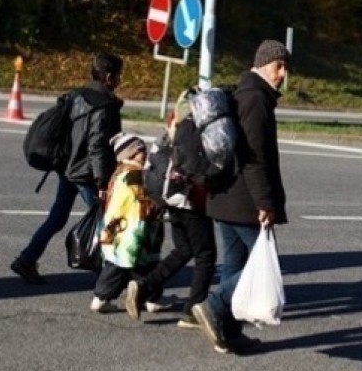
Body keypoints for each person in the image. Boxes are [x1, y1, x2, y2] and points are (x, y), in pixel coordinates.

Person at [191, 39, 290, 354]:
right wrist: (266, 204)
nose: (283, 73)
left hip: (225, 197)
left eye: (285, 66)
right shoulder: (256, 99)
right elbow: (254, 158)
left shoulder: (241, 92)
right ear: (263, 64)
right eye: (279, 66)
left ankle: (227, 331)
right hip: (245, 200)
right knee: (257, 268)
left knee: (236, 267)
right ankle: (213, 307)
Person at [11, 52, 124, 284]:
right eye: (119, 76)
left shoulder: (76, 96)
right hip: (86, 174)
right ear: (109, 76)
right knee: (105, 220)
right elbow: (97, 146)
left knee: (58, 217)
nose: (120, 80)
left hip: (67, 168)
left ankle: (27, 259)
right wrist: (103, 182)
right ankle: (109, 275)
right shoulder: (103, 105)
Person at [125, 110, 217, 329]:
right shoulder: (193, 138)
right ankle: (192, 311)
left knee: (184, 250)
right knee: (206, 255)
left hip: (169, 201)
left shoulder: (165, 138)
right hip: (189, 202)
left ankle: (144, 285)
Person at [90, 133, 166, 312]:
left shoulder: (120, 172)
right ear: (129, 154)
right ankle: (149, 299)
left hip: (118, 227)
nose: (144, 153)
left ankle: (102, 298)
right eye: (140, 150)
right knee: (138, 266)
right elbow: (137, 200)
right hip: (133, 228)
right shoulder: (135, 175)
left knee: (118, 264)